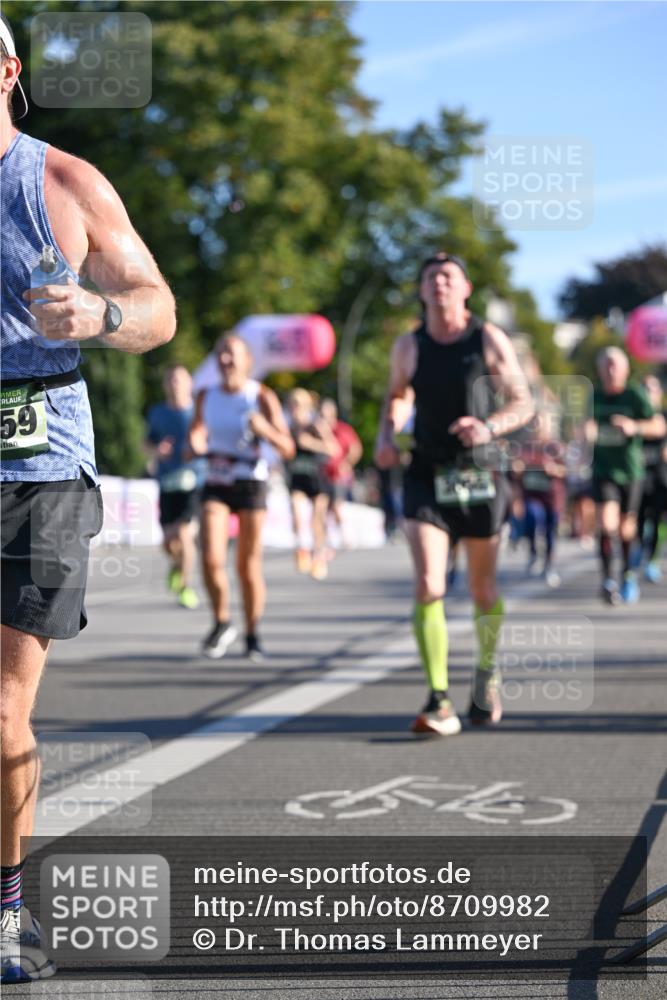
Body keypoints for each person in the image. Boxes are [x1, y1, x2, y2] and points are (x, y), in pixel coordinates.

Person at [0, 15, 176, 983]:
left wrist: (102, 312)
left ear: (8, 72)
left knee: (1, 710)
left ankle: (3, 910)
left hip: (36, 469)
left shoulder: (63, 184)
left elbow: (159, 307)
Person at [375, 251, 533, 736]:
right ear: (422, 291)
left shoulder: (487, 338)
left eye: (448, 276)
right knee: (429, 584)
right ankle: (439, 697)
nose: (439, 283)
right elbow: (397, 394)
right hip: (427, 470)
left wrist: (488, 427)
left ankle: (486, 670)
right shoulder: (409, 345)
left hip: (480, 471)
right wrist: (387, 433)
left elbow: (522, 402)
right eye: (430, 277)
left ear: (465, 289)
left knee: (483, 589)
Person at [189, 334, 294, 660]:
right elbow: (196, 430)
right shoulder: (206, 395)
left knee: (247, 566)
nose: (225, 360)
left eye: (231, 354)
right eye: (220, 353)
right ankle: (222, 622)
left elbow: (288, 448)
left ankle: (252, 633)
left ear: (247, 361)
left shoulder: (260, 395)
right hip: (217, 479)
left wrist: (266, 430)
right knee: (210, 557)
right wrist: (195, 440)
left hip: (250, 481)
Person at [587, 348, 665, 605]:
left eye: (615, 365)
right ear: (600, 369)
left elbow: (658, 426)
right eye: (606, 365)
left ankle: (627, 574)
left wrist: (634, 426)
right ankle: (607, 580)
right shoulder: (593, 396)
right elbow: (577, 425)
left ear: (625, 369)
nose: (610, 370)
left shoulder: (634, 395)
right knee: (606, 524)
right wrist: (584, 430)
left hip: (631, 472)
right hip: (603, 470)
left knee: (626, 529)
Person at [145, 365, 203, 609]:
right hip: (168, 482)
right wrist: (156, 450)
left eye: (179, 379)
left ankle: (185, 587)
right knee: (169, 542)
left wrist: (199, 447)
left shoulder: (198, 411)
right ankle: (176, 566)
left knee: (184, 534)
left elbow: (209, 440)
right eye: (170, 379)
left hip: (194, 481)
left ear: (190, 383)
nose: (174, 384)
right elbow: (146, 443)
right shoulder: (158, 413)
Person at [285, 388, 339, 580]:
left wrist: (310, 443)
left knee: (317, 521)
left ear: (307, 406)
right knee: (296, 511)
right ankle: (302, 549)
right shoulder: (288, 427)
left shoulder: (316, 425)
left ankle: (318, 558)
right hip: (297, 478)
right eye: (291, 404)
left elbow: (334, 449)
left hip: (317, 478)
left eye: (298, 404)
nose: (294, 408)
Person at [518, 413, 566, 588]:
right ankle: (533, 553)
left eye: (540, 423)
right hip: (531, 494)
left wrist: (553, 469)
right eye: (534, 423)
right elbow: (515, 471)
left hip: (551, 496)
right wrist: (518, 469)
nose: (537, 427)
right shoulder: (524, 446)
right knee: (532, 516)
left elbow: (566, 470)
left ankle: (549, 564)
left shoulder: (555, 447)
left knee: (550, 531)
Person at [318, 398, 363, 550]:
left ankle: (344, 533)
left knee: (336, 505)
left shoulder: (343, 429)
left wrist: (347, 463)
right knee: (322, 507)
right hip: (322, 474)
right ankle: (325, 538)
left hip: (338, 475)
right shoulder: (317, 429)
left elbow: (355, 449)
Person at [637, 375, 667, 583]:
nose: (649, 393)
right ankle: (640, 553)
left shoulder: (664, 416)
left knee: (658, 519)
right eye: (645, 389)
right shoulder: (635, 417)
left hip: (661, 477)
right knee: (639, 519)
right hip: (638, 477)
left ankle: (653, 558)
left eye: (652, 389)